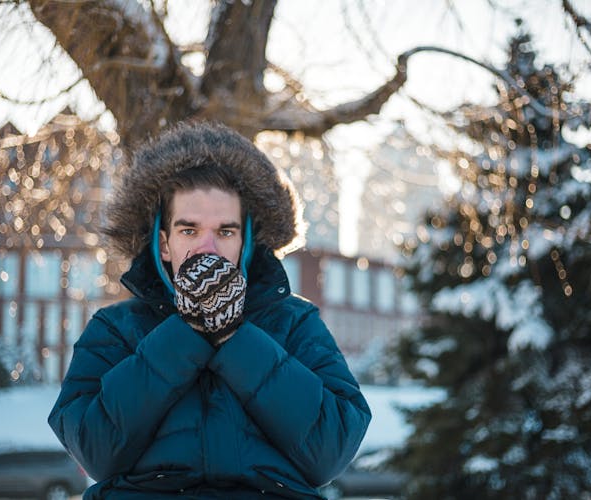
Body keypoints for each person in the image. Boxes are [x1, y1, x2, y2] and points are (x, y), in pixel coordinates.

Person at [48, 121, 371, 499]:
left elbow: (330, 452)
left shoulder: (295, 322)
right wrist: (186, 332)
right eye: (189, 231)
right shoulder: (115, 328)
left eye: (225, 232)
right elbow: (95, 451)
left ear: (246, 243)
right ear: (164, 244)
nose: (208, 247)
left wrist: (235, 337)